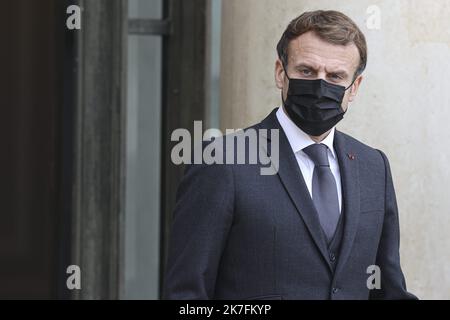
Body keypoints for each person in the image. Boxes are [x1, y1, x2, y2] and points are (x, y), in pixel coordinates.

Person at [163, 10, 417, 300]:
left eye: (335, 76)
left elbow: (388, 290)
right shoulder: (223, 162)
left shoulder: (374, 167)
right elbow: (187, 294)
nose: (321, 86)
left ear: (354, 88)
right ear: (280, 73)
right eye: (307, 71)